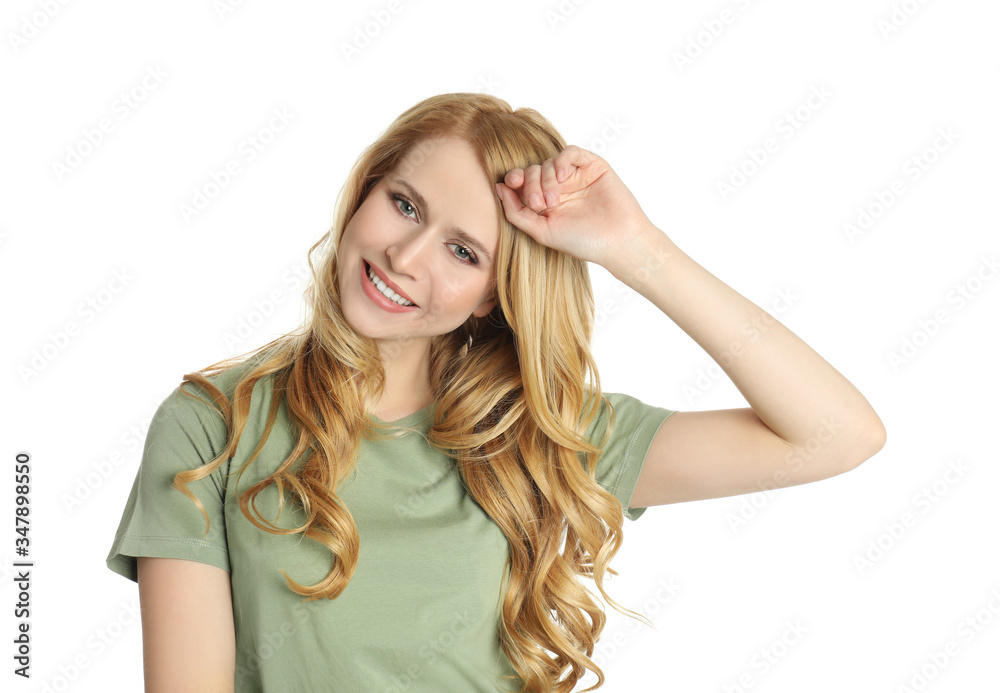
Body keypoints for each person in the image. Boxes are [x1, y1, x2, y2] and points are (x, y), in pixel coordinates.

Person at [106, 92, 885, 693]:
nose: (406, 256)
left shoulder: (540, 433)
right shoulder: (214, 425)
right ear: (363, 194)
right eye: (404, 205)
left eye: (463, 250)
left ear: (492, 296)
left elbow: (836, 433)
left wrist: (636, 249)